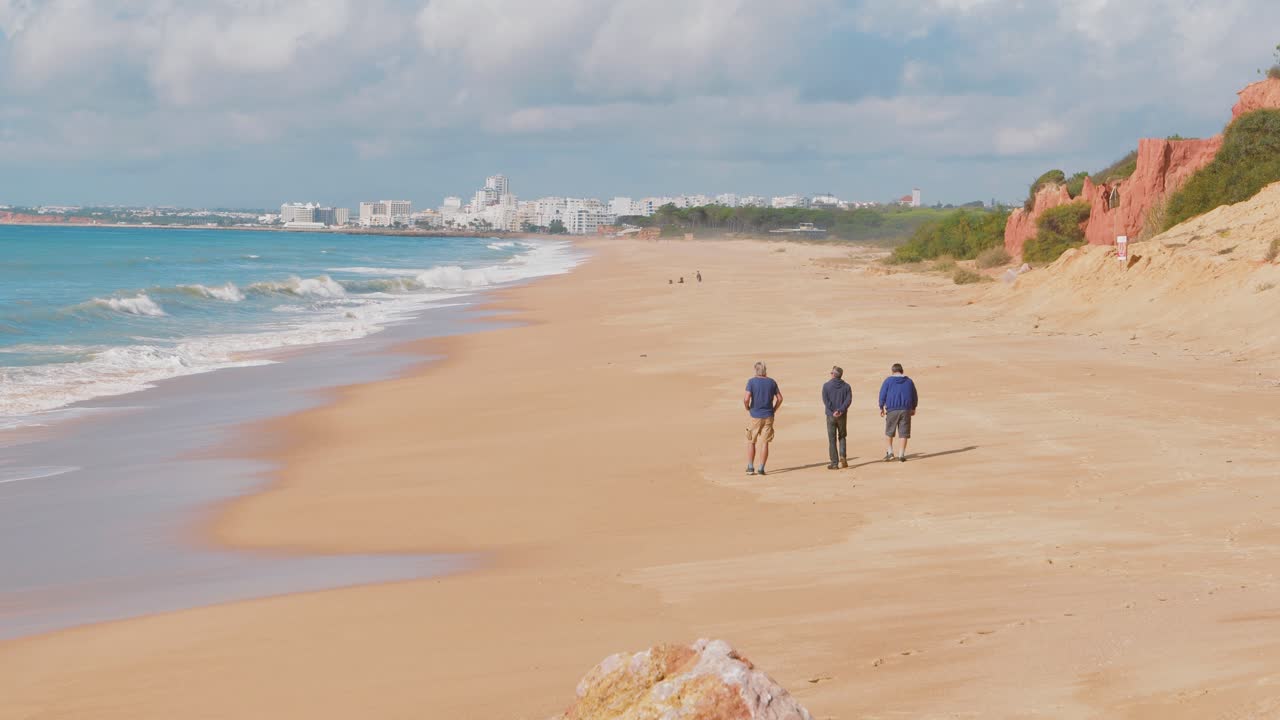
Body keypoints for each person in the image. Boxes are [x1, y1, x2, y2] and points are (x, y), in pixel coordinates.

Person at [744, 361, 783, 476]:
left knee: (751, 441)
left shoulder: (751, 382)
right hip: (768, 415)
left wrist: (747, 407)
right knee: (765, 442)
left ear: (756, 370)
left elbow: (746, 399)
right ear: (765, 370)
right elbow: (780, 398)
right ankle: (761, 468)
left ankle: (751, 467)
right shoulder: (772, 382)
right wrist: (774, 409)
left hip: (755, 415)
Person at [878, 363, 919, 462]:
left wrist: (881, 407)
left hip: (892, 409)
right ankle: (901, 455)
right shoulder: (909, 381)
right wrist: (913, 407)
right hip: (906, 409)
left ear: (893, 371)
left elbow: (882, 394)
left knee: (889, 432)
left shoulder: (888, 380)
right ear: (902, 371)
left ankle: (890, 452)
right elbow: (914, 395)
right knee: (904, 433)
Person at [822, 366, 852, 469]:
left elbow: (826, 401)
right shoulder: (847, 386)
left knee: (832, 439)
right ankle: (842, 456)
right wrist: (840, 410)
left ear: (834, 375)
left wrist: (834, 411)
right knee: (842, 436)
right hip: (842, 415)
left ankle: (834, 463)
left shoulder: (826, 386)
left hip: (831, 415)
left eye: (831, 373)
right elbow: (848, 401)